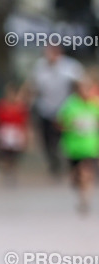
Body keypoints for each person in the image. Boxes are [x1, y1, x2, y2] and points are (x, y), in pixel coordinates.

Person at [30, 44, 83, 179]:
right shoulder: (40, 67)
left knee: (64, 138)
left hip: (65, 110)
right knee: (47, 140)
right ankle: (54, 163)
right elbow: (34, 86)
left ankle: (69, 163)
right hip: (45, 109)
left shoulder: (70, 67)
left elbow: (79, 85)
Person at [56, 72, 99, 214]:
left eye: (87, 88)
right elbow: (59, 124)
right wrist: (72, 126)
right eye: (82, 88)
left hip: (91, 146)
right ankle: (77, 184)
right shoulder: (70, 105)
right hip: (74, 147)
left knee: (86, 172)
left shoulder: (95, 104)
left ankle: (84, 199)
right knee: (77, 176)